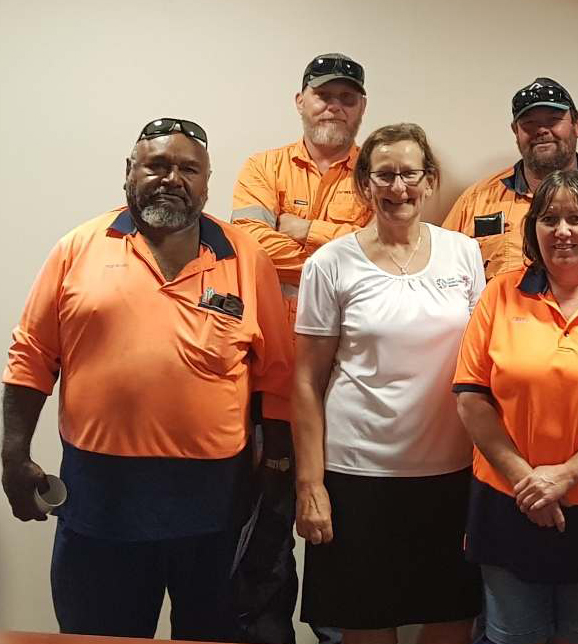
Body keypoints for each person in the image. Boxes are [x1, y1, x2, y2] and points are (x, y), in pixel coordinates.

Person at [0, 118, 291, 641]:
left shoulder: (246, 257)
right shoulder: (78, 248)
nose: (171, 178)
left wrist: (278, 470)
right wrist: (13, 454)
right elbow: (32, 355)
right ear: (129, 171)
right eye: (157, 165)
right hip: (100, 495)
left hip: (216, 500)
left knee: (214, 636)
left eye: (188, 169)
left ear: (206, 182)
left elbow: (277, 375)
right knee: (98, 635)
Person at [291, 123, 484, 644]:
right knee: (367, 626)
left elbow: (478, 365)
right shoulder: (329, 264)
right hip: (358, 475)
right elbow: (306, 380)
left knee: (452, 620)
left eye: (409, 174)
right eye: (385, 175)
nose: (398, 188)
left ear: (429, 181)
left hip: (451, 471)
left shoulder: (463, 254)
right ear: (365, 183)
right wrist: (310, 485)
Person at [453, 169, 578, 644]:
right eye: (549, 219)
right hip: (509, 500)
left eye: (577, 218)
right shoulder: (500, 294)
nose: (562, 231)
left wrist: (564, 476)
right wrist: (529, 481)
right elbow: (471, 397)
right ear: (533, 231)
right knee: (512, 635)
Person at [229, 52, 370, 644]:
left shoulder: (378, 172)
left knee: (347, 534)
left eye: (346, 97)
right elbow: (252, 248)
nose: (333, 105)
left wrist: (299, 232)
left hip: (350, 389)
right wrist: (337, 246)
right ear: (301, 101)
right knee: (265, 539)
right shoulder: (261, 167)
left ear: (361, 107)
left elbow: (378, 248)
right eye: (323, 95)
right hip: (268, 389)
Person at [442, 77, 578, 291]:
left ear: (577, 124)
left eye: (553, 120)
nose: (541, 130)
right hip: (500, 328)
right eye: (529, 123)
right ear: (516, 132)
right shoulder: (476, 201)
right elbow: (442, 281)